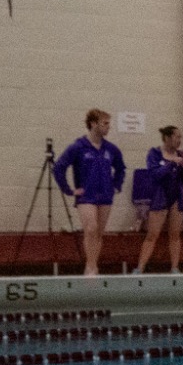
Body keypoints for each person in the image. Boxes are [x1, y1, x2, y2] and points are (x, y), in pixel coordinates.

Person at [53, 109, 126, 276]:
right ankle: (91, 266)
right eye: (105, 123)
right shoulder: (78, 147)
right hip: (86, 195)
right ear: (93, 124)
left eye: (109, 124)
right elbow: (59, 168)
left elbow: (121, 169)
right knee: (91, 228)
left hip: (105, 195)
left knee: (99, 233)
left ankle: (93, 265)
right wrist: (69, 190)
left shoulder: (111, 149)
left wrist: (116, 185)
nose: (108, 127)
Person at [132, 125, 183, 274]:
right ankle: (140, 268)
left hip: (177, 197)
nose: (179, 140)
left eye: (180, 137)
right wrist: (172, 163)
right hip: (160, 197)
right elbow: (154, 174)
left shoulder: (182, 155)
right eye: (177, 137)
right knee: (152, 235)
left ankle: (174, 267)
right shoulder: (154, 153)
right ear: (167, 138)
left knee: (175, 235)